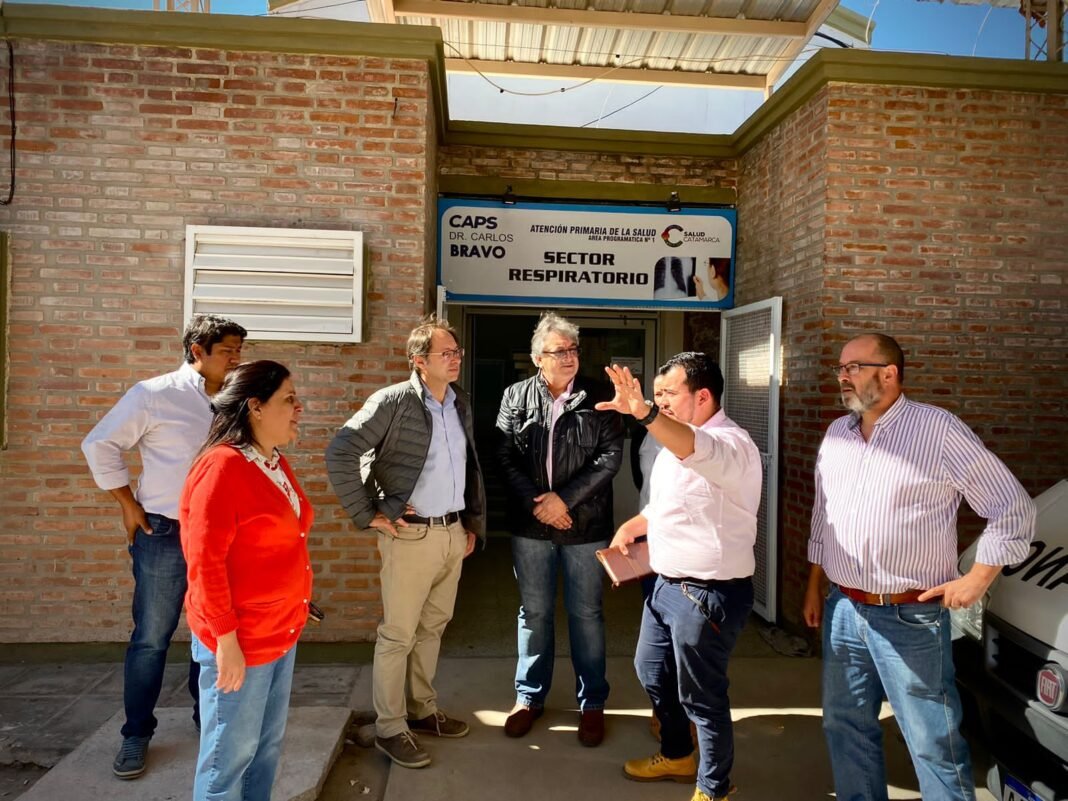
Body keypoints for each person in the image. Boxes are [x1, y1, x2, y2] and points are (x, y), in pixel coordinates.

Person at [804, 333, 1036, 801]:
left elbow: (1012, 507)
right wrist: (815, 584)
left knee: (932, 743)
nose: (843, 377)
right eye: (841, 369)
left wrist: (978, 578)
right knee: (845, 725)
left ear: (889, 373)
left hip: (910, 616)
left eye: (854, 367)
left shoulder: (938, 430)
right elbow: (823, 514)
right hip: (843, 608)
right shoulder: (838, 433)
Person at [80, 314, 246, 779]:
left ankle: (207, 723)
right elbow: (99, 444)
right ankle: (136, 733)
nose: (236, 359)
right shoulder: (154, 394)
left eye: (239, 351)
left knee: (212, 633)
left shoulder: (237, 399)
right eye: (227, 351)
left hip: (223, 536)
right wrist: (127, 504)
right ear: (197, 350)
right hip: (165, 533)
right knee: (152, 637)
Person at [325, 315, 485, 770]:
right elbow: (342, 450)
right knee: (398, 635)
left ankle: (422, 710)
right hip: (410, 535)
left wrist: (471, 524)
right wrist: (369, 511)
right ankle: (390, 728)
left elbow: (468, 467)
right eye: (445, 353)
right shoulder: (392, 400)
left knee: (433, 627)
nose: (455, 359)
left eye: (457, 352)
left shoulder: (459, 402)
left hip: (453, 533)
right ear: (419, 360)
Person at [599, 352, 761, 801]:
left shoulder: (731, 444)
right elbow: (671, 501)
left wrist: (644, 414)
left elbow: (696, 448)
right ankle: (677, 754)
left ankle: (714, 788)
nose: (660, 403)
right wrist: (635, 525)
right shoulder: (673, 441)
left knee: (702, 697)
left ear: (703, 396)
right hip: (664, 585)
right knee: (651, 671)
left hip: (706, 593)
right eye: (655, 396)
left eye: (668, 394)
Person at [180, 360, 313, 801]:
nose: (298, 408)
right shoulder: (221, 467)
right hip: (240, 640)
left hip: (279, 631)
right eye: (289, 399)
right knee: (227, 761)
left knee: (264, 750)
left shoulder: (272, 461)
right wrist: (226, 641)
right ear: (255, 407)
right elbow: (204, 563)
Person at [496, 311, 623, 747]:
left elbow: (609, 458)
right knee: (534, 613)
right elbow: (504, 456)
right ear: (538, 358)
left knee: (586, 614)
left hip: (585, 526)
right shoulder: (515, 396)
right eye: (558, 351)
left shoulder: (600, 395)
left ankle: (592, 703)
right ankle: (528, 697)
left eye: (573, 350)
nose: (569, 357)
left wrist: (563, 501)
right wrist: (541, 505)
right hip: (532, 526)